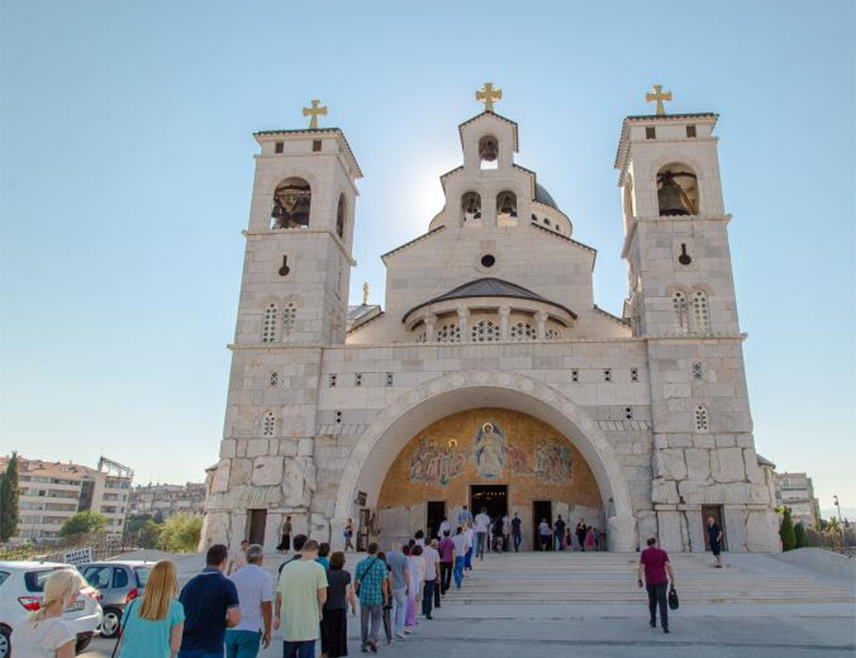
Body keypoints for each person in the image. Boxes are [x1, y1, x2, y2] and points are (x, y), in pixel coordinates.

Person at [179, 544, 241, 658]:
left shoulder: (189, 585)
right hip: (210, 648)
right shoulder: (226, 585)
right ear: (224, 561)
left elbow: (180, 617)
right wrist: (220, 623)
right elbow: (234, 619)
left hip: (186, 647)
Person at [117, 559, 184, 658]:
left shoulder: (132, 604)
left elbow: (123, 639)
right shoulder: (176, 608)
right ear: (172, 581)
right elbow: (175, 648)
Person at [14, 568, 88, 658]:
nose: (79, 593)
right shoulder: (64, 631)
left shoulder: (21, 624)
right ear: (64, 594)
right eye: (76, 589)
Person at [275, 539, 328, 658]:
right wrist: (320, 610)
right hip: (308, 624)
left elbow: (279, 596)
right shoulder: (318, 568)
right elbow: (323, 597)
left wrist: (277, 616)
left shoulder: (287, 567)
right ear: (315, 552)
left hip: (290, 624)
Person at [225, 544, 272, 658]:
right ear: (261, 559)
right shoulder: (264, 576)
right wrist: (267, 631)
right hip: (251, 628)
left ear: (246, 558)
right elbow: (266, 605)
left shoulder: (233, 577)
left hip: (231, 629)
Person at [355, 543, 389, 653]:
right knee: (377, 618)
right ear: (377, 551)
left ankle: (364, 644)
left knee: (364, 621)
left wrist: (356, 592)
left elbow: (356, 580)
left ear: (367, 551)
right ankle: (372, 638)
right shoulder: (381, 564)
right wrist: (386, 596)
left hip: (364, 596)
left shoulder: (360, 564)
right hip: (376, 596)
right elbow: (384, 582)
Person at [321, 551, 356, 658]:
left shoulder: (325, 573)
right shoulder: (346, 575)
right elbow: (348, 592)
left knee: (327, 635)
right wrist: (353, 606)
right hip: (340, 608)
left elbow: (322, 592)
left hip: (327, 608)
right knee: (338, 636)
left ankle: (326, 653)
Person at [638, 537, 675, 634]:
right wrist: (672, 578)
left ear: (648, 544)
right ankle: (665, 625)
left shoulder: (645, 553)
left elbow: (642, 567)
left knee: (652, 601)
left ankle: (653, 621)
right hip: (662, 580)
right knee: (662, 602)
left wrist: (639, 579)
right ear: (655, 543)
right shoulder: (662, 552)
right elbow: (668, 566)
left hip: (650, 581)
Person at [385, 543, 410, 640]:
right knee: (402, 607)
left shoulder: (387, 556)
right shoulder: (403, 557)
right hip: (400, 585)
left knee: (391, 608)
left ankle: (390, 630)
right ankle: (399, 630)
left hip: (389, 585)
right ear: (400, 548)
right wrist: (409, 585)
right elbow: (406, 573)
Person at [375, 551, 394, 646]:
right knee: (386, 618)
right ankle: (389, 638)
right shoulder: (388, 568)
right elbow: (389, 582)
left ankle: (375, 638)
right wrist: (390, 593)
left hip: (376, 594)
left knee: (376, 618)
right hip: (385, 594)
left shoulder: (376, 568)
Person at [404, 545, 424, 633]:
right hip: (418, 581)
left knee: (408, 603)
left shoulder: (408, 559)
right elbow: (424, 571)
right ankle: (412, 619)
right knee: (417, 600)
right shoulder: (422, 559)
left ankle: (406, 622)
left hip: (408, 582)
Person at [423, 538, 441, 616]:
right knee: (429, 594)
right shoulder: (435, 552)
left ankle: (424, 609)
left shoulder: (421, 552)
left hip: (423, 575)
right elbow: (437, 565)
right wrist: (438, 576)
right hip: (431, 575)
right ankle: (428, 612)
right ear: (430, 543)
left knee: (424, 593)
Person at [437, 530, 454, 595]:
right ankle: (447, 585)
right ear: (449, 534)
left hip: (443, 560)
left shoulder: (441, 542)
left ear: (443, 534)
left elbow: (439, 550)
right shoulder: (451, 541)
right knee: (449, 574)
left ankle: (442, 590)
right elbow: (453, 550)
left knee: (442, 575)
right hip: (450, 560)